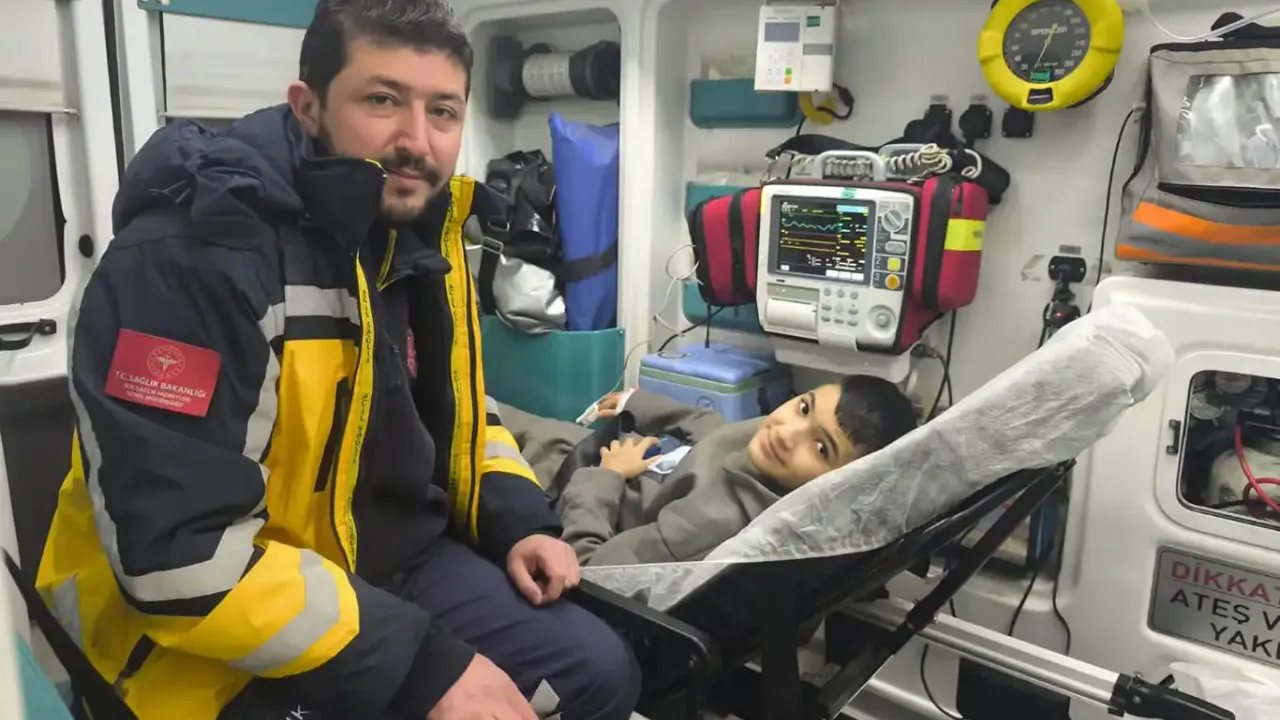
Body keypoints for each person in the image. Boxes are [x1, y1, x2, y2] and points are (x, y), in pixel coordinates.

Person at [35, 1, 640, 719]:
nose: (416, 140)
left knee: (597, 673)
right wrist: (421, 667)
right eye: (382, 100)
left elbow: (461, 411)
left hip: (377, 561)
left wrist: (518, 519)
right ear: (309, 107)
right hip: (202, 620)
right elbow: (175, 555)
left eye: (442, 111)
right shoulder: (191, 261)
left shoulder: (416, 234)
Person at [500, 375, 919, 566]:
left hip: (561, 483)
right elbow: (718, 430)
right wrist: (638, 404)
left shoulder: (707, 527)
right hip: (599, 458)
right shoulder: (775, 456)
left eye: (821, 447)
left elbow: (586, 567)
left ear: (839, 486)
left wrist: (607, 477)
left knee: (471, 415)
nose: (786, 431)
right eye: (804, 407)